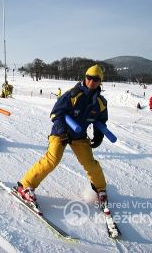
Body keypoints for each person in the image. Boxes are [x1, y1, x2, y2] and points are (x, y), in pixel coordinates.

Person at [15, 64, 109, 207]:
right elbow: (56, 113)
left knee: (90, 163)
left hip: (79, 135)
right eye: (89, 77)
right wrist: (62, 131)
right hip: (60, 132)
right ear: (85, 77)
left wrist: (99, 135)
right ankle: (24, 186)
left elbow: (101, 120)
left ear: (100, 81)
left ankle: (100, 190)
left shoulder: (101, 103)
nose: (91, 81)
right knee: (53, 158)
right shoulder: (73, 95)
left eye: (96, 79)